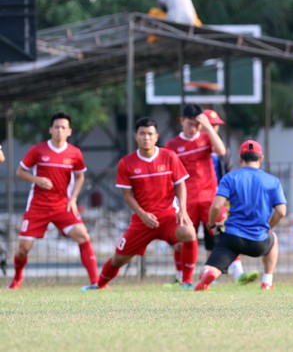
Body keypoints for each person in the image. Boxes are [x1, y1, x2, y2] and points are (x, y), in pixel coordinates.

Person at [82, 117, 198, 290]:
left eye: (150, 134)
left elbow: (180, 183)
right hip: (142, 221)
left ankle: (187, 282)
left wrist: (182, 210)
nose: (146, 137)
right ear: (135, 136)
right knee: (119, 259)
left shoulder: (169, 157)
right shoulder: (126, 163)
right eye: (142, 133)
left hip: (167, 217)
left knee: (188, 232)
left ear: (156, 136)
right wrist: (143, 215)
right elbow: (127, 195)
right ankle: (99, 285)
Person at [9, 112, 99, 289]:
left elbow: (80, 177)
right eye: (56, 127)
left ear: (69, 131)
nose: (59, 130)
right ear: (50, 129)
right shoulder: (38, 150)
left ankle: (96, 282)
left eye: (63, 128)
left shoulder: (75, 153)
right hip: (38, 206)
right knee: (23, 248)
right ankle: (17, 279)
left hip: (62, 205)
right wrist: (37, 180)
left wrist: (73, 198)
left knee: (82, 235)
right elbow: (20, 172)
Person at [195, 140, 287, 291]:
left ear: (240, 159)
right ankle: (267, 282)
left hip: (232, 238)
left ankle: (210, 272)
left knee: (215, 262)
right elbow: (281, 212)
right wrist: (268, 228)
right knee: (274, 239)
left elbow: (217, 206)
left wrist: (211, 225)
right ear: (261, 158)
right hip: (259, 241)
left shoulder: (230, 178)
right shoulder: (272, 181)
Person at [165, 104, 240, 284]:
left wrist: (207, 127)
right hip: (186, 200)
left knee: (223, 233)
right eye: (190, 124)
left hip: (209, 198)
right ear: (181, 121)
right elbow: (170, 175)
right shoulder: (172, 145)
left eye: (197, 125)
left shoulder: (206, 138)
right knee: (182, 239)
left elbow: (222, 152)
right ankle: (180, 277)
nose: (194, 129)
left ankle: (239, 275)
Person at [204, 108, 251, 283]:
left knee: (225, 231)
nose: (214, 129)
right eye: (211, 125)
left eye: (216, 126)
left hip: (219, 197)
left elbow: (229, 169)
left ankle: (237, 272)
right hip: (200, 198)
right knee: (209, 236)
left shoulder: (220, 148)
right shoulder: (196, 148)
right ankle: (209, 275)